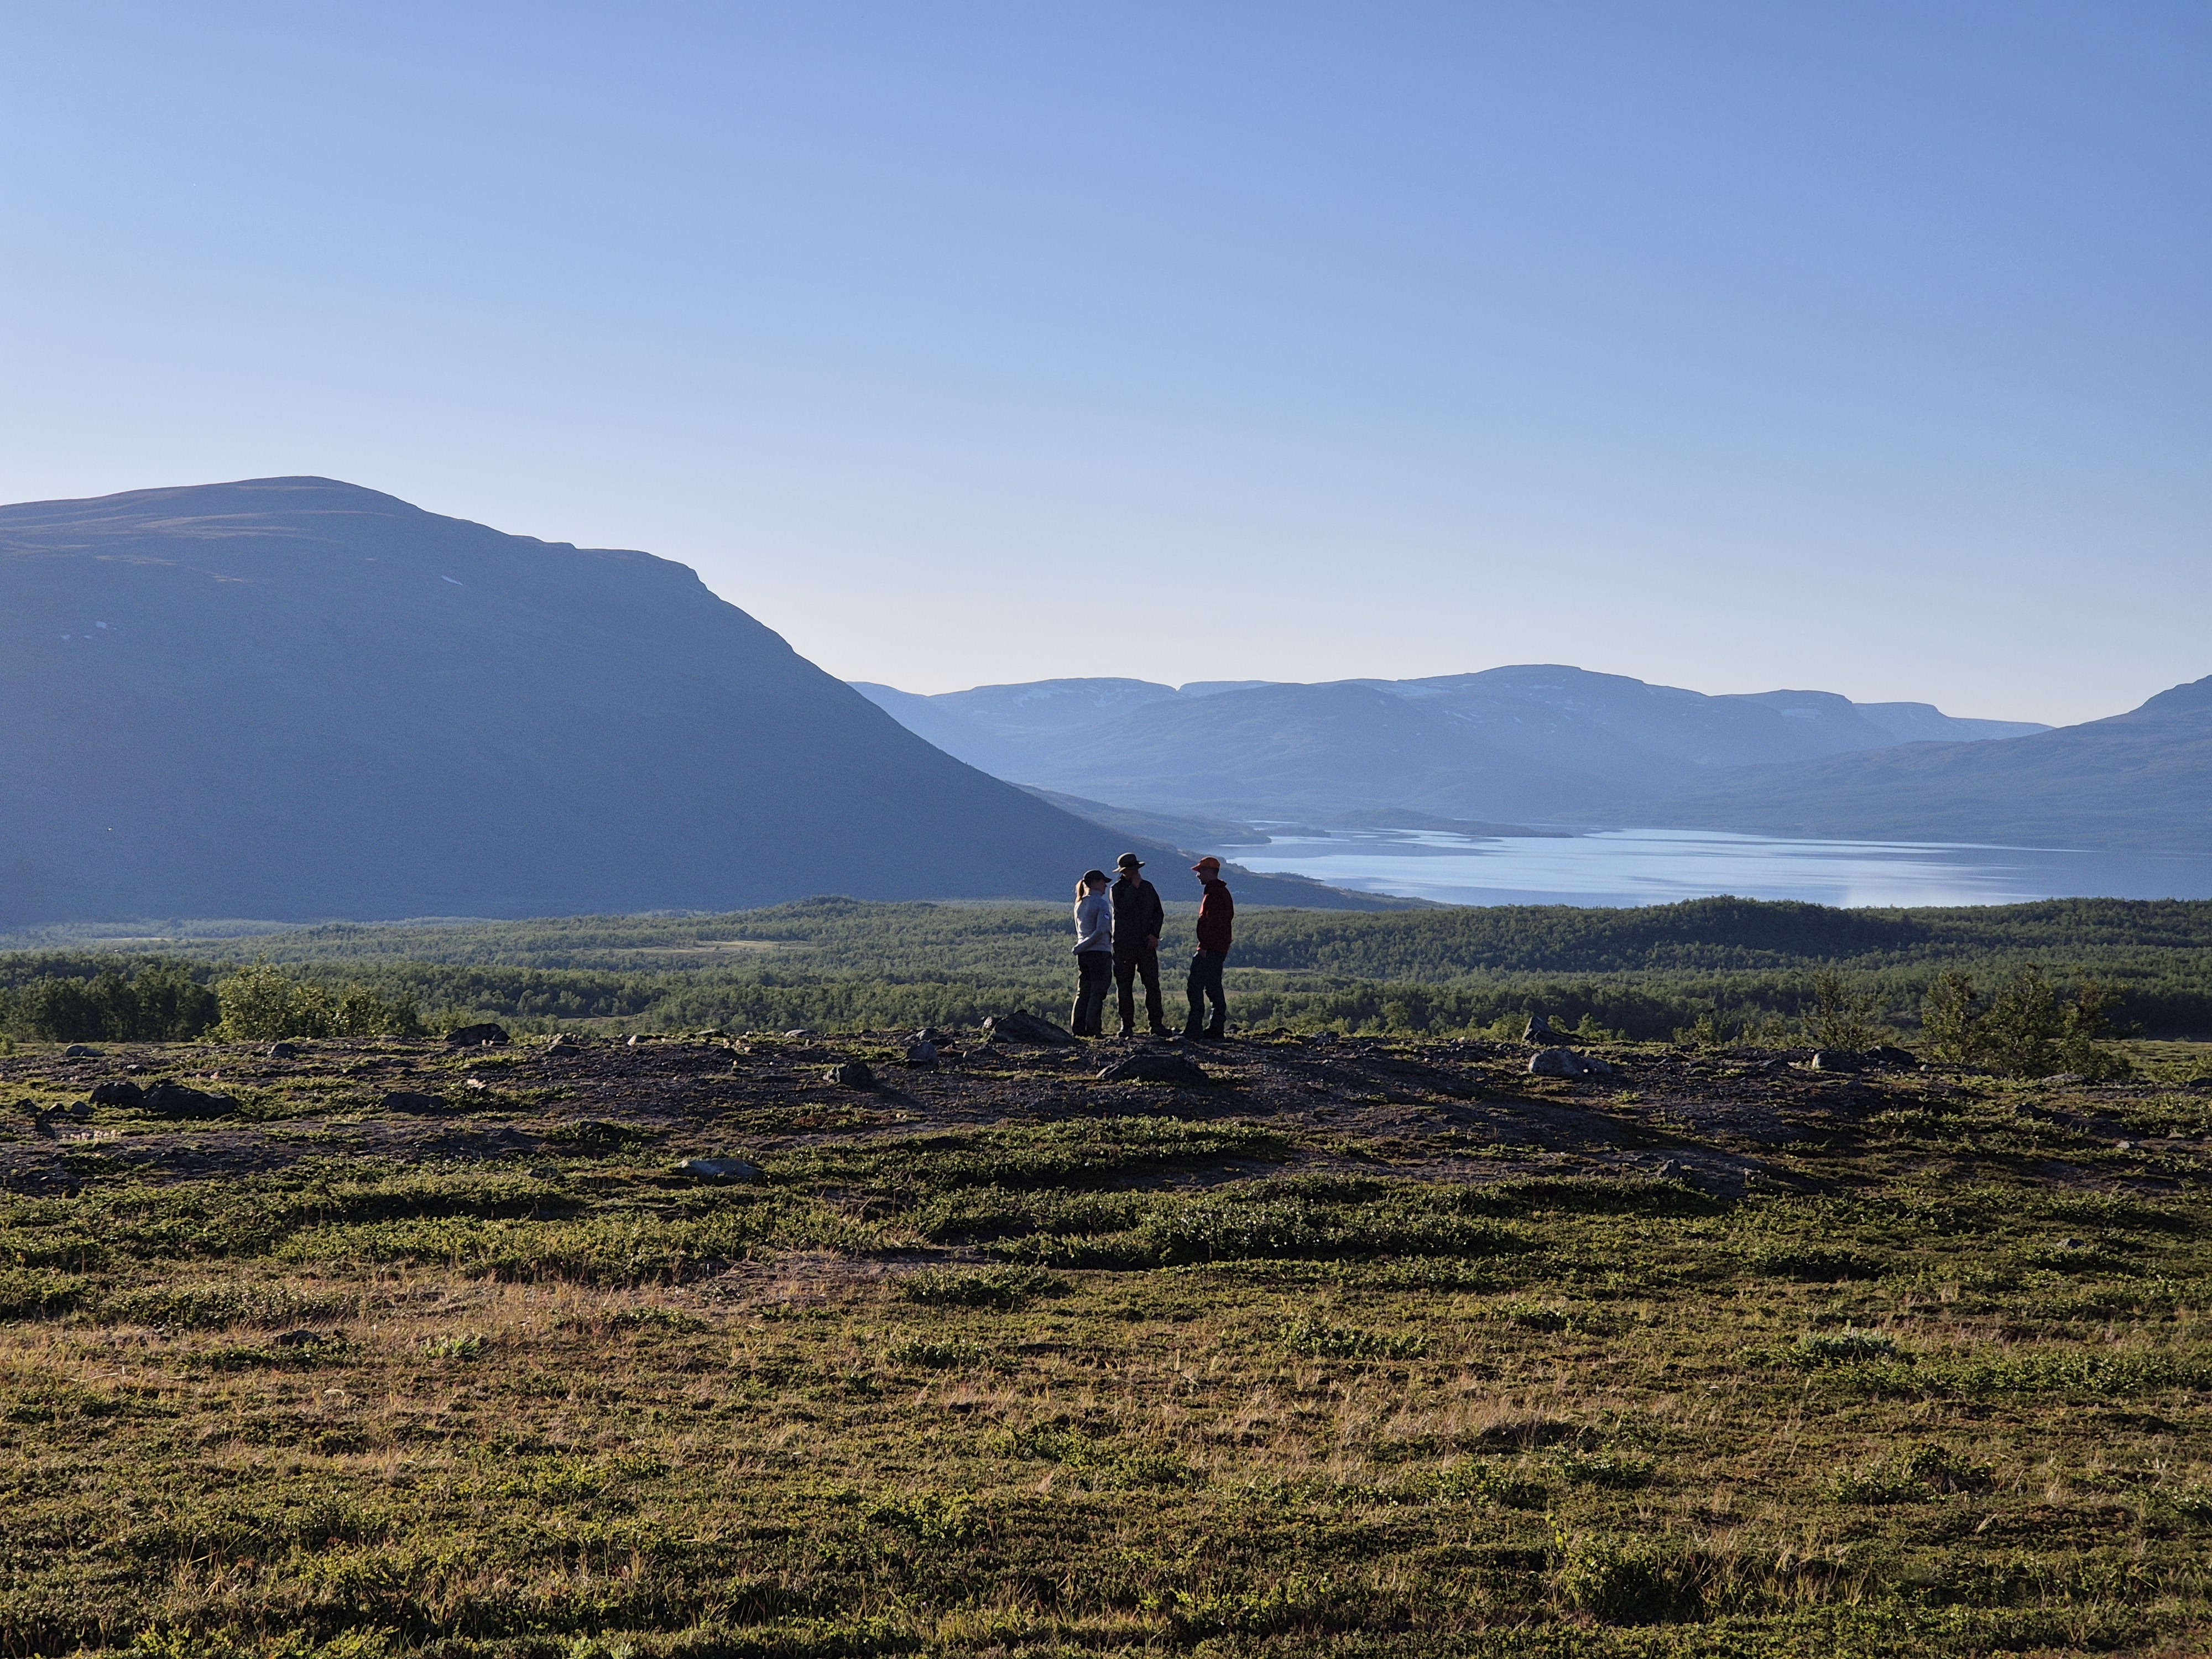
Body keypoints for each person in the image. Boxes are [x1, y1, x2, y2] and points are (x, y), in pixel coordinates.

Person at [1109, 852, 1169, 1037]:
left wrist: (1155, 935)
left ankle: (1156, 1024)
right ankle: (1126, 1025)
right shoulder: (1116, 890)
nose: (1134, 872)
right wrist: (1134, 889)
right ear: (1124, 871)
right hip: (1124, 944)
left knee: (1152, 984)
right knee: (1124, 985)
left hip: (1145, 943)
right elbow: (1122, 909)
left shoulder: (1148, 888)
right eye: (1131, 869)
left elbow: (1158, 913)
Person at [1184, 855, 1234, 1039]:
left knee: (1195, 986)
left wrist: (1205, 947)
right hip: (1217, 949)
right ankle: (1215, 1028)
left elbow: (1213, 924)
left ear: (1208, 872)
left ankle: (1195, 1028)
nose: (1198, 875)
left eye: (1200, 872)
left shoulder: (1215, 895)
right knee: (1213, 987)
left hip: (1209, 950)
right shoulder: (1218, 892)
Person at [1068, 869, 1113, 1037]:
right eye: (1103, 882)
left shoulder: (1079, 904)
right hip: (1099, 952)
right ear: (1095, 883)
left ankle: (1078, 1028)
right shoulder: (1101, 904)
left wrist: (1081, 947)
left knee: (1084, 990)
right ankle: (1093, 1029)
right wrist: (1085, 945)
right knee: (1097, 991)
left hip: (1084, 955)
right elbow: (1101, 930)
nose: (1105, 886)